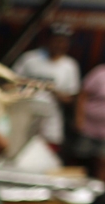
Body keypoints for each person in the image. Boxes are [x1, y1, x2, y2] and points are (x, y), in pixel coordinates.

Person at [12, 23, 81, 153]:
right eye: (56, 40)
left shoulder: (69, 65)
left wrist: (53, 91)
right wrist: (29, 85)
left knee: (47, 148)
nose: (59, 44)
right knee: (19, 143)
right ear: (48, 40)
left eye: (63, 41)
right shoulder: (30, 58)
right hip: (25, 108)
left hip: (50, 113)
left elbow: (71, 98)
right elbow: (12, 82)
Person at [74, 66, 105, 180]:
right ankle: (76, 189)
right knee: (81, 159)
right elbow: (83, 95)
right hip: (89, 126)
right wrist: (79, 119)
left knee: (102, 163)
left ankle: (100, 193)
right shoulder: (99, 73)